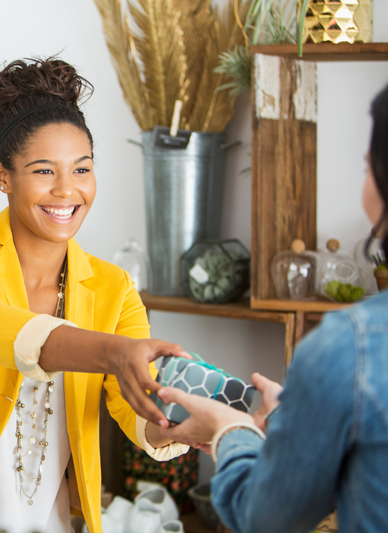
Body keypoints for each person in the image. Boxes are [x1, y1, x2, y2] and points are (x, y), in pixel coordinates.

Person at [0, 57, 189, 533]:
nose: (67, 190)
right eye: (44, 171)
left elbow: (133, 399)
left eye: (82, 169)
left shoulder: (112, 287)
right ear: (3, 177)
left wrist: (185, 420)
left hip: (49, 521)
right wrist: (113, 352)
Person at [157, 83, 388, 533]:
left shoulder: (350, 348)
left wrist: (231, 430)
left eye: (366, 168)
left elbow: (264, 516)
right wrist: (292, 418)